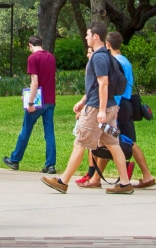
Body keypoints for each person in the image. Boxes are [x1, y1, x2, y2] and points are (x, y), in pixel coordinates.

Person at [42, 22, 133, 195]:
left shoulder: (98, 57)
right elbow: (96, 85)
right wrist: (85, 101)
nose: (86, 37)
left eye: (88, 34)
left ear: (96, 36)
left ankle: (63, 181)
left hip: (97, 108)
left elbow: (103, 84)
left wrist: (100, 110)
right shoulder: (107, 55)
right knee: (114, 145)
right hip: (109, 106)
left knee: (80, 143)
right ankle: (124, 184)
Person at [94, 30, 155, 188]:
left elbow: (116, 86)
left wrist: (113, 106)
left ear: (108, 45)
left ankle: (95, 179)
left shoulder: (115, 62)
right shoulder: (126, 61)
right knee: (128, 142)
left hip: (119, 104)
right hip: (128, 103)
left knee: (110, 140)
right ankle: (147, 175)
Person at [4, 35, 58, 174]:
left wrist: (30, 102)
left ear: (30, 45)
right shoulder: (51, 57)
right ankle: (50, 165)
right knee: (49, 133)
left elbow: (35, 82)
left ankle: (15, 159)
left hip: (38, 101)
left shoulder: (33, 58)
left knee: (26, 130)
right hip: (50, 99)